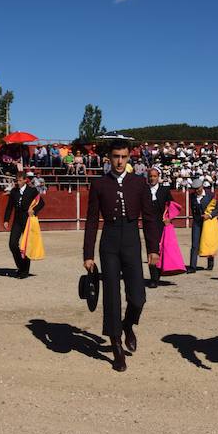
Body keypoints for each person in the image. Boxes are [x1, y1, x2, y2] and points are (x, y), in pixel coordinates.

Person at [83, 140, 161, 372]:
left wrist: (153, 248)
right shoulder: (99, 184)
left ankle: (127, 324)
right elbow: (91, 220)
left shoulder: (138, 183)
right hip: (108, 241)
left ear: (129, 158)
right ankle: (116, 344)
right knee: (111, 296)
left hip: (131, 240)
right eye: (116, 156)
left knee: (138, 297)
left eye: (123, 157)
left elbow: (149, 218)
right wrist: (88, 254)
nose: (119, 161)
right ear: (109, 158)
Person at [3, 171, 45, 279]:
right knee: (12, 244)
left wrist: (34, 210)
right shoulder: (14, 192)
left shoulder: (32, 191)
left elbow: (41, 203)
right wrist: (6, 220)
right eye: (17, 180)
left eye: (20, 180)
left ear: (25, 180)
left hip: (28, 221)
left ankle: (24, 271)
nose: (18, 182)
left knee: (26, 246)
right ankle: (21, 266)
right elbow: (9, 207)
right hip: (17, 220)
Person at [147, 166, 173, 287]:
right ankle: (153, 277)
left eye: (154, 176)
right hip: (148, 224)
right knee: (151, 250)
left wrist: (169, 218)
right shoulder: (144, 190)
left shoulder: (164, 190)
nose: (152, 178)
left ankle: (157, 275)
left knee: (160, 250)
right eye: (150, 176)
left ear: (158, 177)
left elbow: (173, 206)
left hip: (161, 224)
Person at [188, 178, 218, 273]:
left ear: (202, 186)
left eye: (198, 188)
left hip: (208, 222)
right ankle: (192, 267)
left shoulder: (210, 195)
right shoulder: (192, 196)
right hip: (197, 222)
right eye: (195, 189)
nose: (197, 190)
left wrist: (209, 215)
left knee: (209, 242)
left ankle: (210, 263)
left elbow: (217, 208)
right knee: (195, 244)